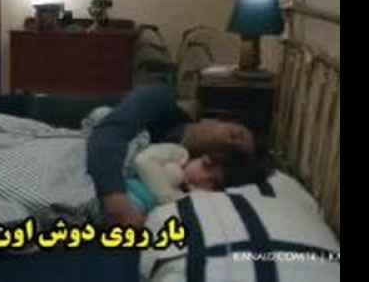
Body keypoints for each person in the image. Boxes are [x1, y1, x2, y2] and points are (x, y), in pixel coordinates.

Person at [87, 84, 272, 227]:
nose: (227, 144)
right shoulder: (162, 99)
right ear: (218, 119)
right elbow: (108, 134)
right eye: (235, 135)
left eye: (235, 153)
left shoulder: (184, 176)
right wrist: (116, 199)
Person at [126, 142, 269, 215]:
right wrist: (170, 199)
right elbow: (143, 161)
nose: (201, 178)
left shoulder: (188, 194)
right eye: (205, 167)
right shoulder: (179, 154)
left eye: (212, 182)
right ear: (204, 157)